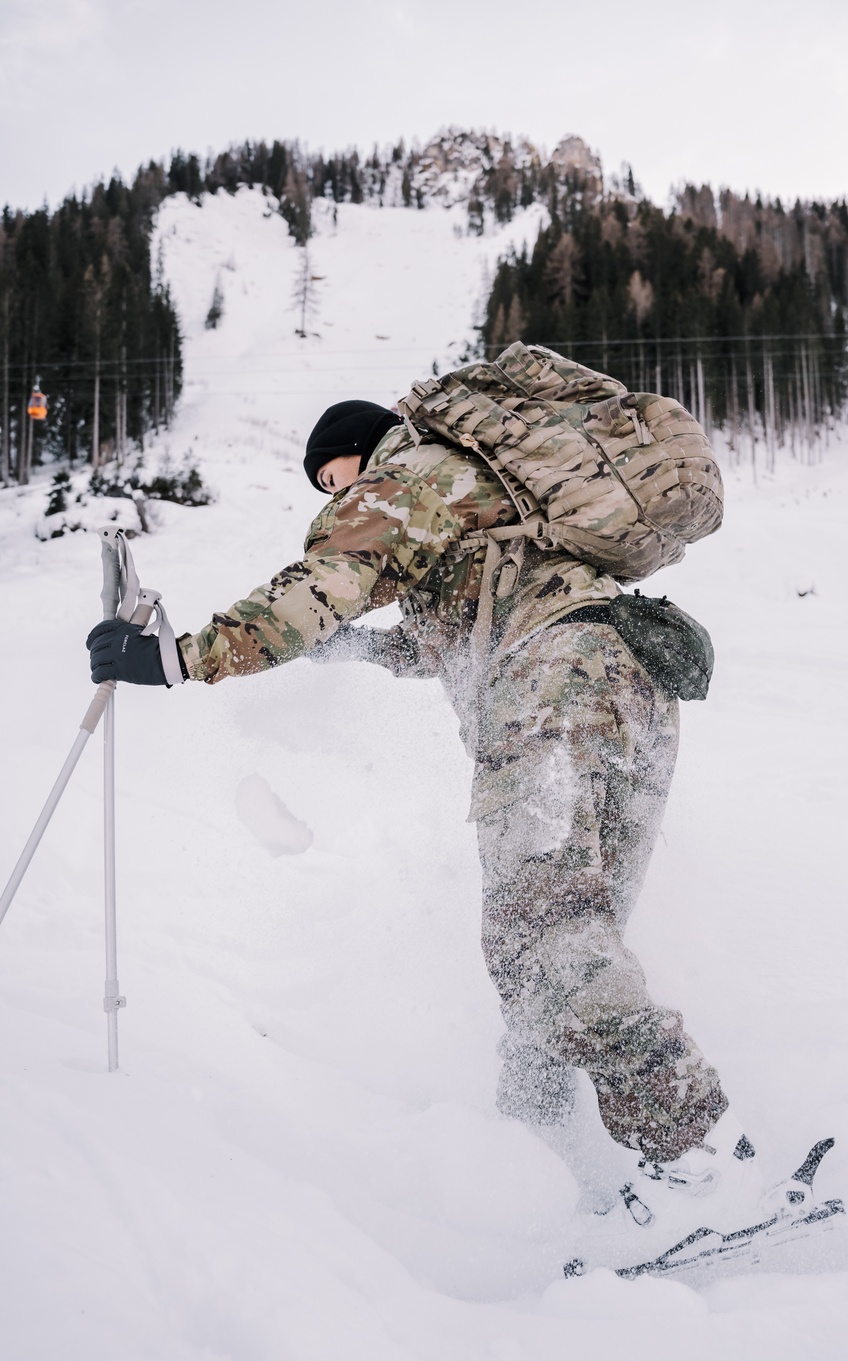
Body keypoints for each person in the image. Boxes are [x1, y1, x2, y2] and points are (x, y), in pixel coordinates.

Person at [87, 370, 762, 1274]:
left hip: (551, 692)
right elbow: (458, 620)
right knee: (558, 946)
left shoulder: (403, 479)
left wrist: (178, 657)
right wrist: (366, 648)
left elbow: (326, 578)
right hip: (629, 686)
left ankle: (699, 1164)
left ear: (361, 453)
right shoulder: (480, 487)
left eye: (333, 479)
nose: (336, 497)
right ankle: (569, 1166)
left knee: (545, 929)